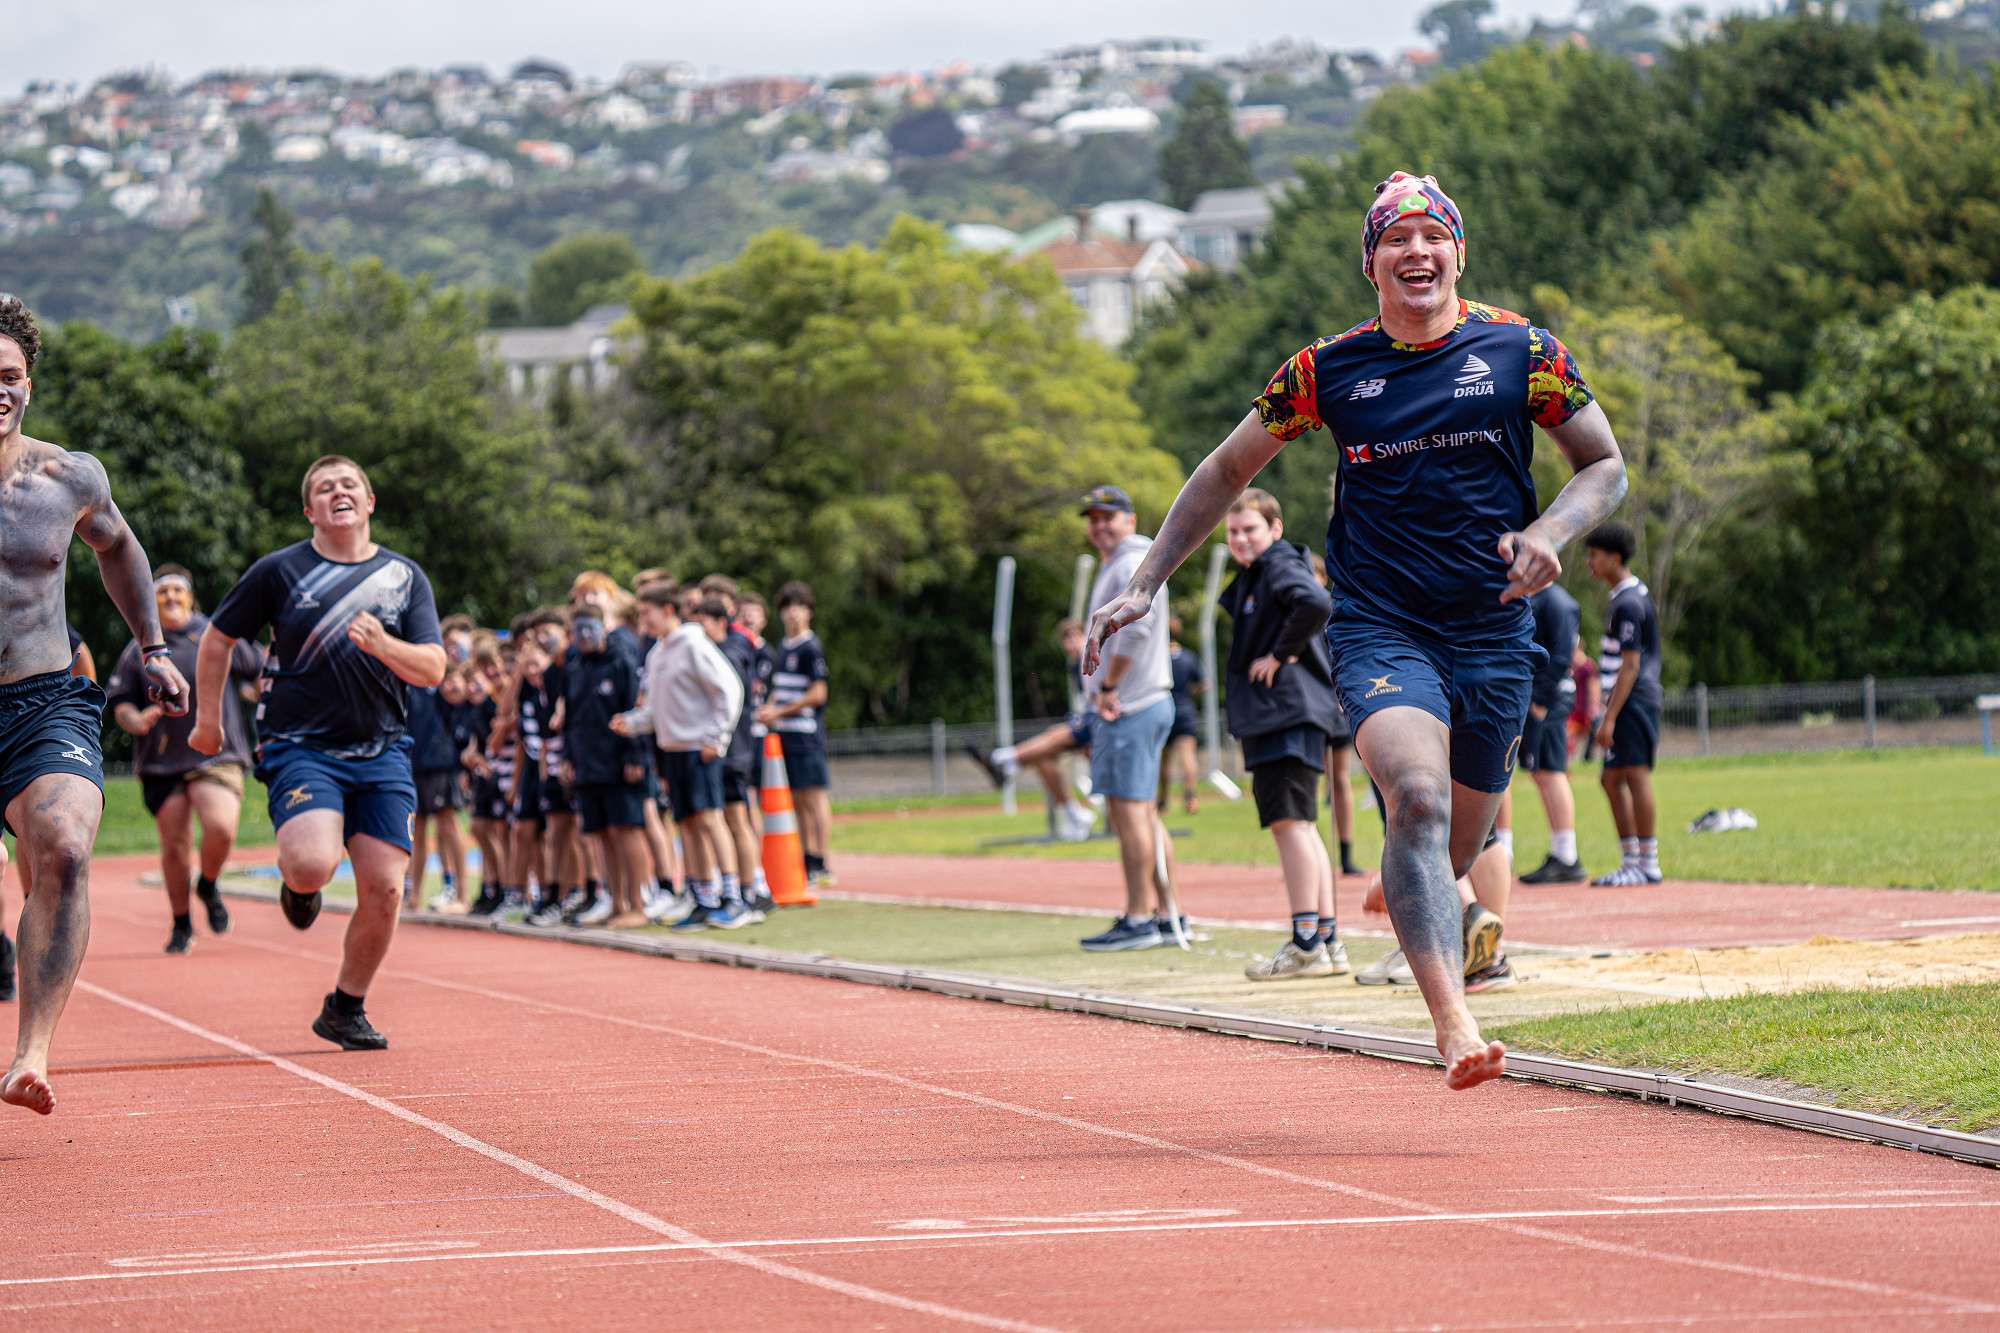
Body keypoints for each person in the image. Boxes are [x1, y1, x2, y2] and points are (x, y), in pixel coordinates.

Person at [1084, 172, 1626, 1089]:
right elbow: (1224, 472)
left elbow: (1604, 465)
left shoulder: (1523, 349)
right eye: (1396, 239)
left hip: (1494, 631)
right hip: (1383, 625)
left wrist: (1549, 532)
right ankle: (1453, 1021)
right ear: (1370, 263)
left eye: (1433, 236)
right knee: (1413, 797)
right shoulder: (1323, 370)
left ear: (1459, 253)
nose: (1417, 252)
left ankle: (1407, 875)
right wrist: (1144, 583)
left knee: (1455, 845)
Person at [0, 295, 190, 1115]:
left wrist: (153, 647)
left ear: (28, 383)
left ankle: (31, 1054)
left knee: (69, 848)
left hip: (43, 700)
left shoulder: (68, 477)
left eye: (8, 374)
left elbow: (118, 547)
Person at [193, 454, 445, 1053]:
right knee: (311, 863)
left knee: (386, 888)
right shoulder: (280, 571)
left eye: (349, 484)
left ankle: (345, 1008)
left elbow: (433, 668)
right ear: (310, 510)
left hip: (383, 749)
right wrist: (208, 722)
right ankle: (300, 886)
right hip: (300, 745)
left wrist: (384, 645)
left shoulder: (404, 577)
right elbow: (218, 639)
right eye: (325, 488)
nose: (339, 492)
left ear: (369, 500)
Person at [1217, 489, 1346, 981]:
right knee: (1302, 825)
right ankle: (1325, 940)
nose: (1240, 539)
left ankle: (1306, 941)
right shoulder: (1262, 572)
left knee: (1290, 825)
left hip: (1284, 711)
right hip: (1291, 711)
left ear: (1275, 528)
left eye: (1250, 529)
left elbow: (1315, 601)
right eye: (1233, 532)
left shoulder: (1278, 565)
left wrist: (1280, 653)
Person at [106, 564, 264, 953]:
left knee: (221, 827)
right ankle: (181, 923)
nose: (171, 597)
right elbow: (121, 702)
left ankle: (207, 883)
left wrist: (262, 693)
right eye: (162, 592)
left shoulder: (215, 634)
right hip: (162, 761)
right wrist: (135, 720)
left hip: (216, 752)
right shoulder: (141, 648)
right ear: (152, 601)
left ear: (191, 598)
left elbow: (260, 669)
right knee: (174, 845)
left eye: (178, 590)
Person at [1075, 484, 1181, 953]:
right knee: (1143, 813)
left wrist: (1110, 687)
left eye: (1108, 516)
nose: (1100, 525)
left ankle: (1140, 916)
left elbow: (1138, 629)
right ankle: (1166, 913)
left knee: (1130, 812)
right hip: (1142, 700)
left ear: (1130, 519)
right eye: (1093, 518)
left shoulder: (1130, 561)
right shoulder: (1126, 561)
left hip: (1131, 704)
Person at [616, 582, 751, 929]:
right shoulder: (656, 654)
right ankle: (703, 896)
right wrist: (631, 723)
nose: (643, 620)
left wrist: (716, 738)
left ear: (668, 610)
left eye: (647, 613)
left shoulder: (693, 644)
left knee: (710, 819)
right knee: (687, 824)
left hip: (698, 748)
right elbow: (654, 708)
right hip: (672, 749)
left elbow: (729, 690)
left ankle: (733, 897)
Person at [552, 605, 651, 928]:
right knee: (602, 835)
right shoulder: (574, 668)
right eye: (577, 629)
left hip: (619, 762)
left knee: (627, 831)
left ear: (603, 627)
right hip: (586, 762)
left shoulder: (621, 662)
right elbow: (570, 720)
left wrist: (634, 757)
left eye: (589, 627)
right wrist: (568, 758)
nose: (583, 635)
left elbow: (635, 711)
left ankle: (638, 904)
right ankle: (616, 902)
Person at [967, 618, 1099, 842]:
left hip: (1102, 727)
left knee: (1056, 735)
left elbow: (1099, 699)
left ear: (1084, 636)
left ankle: (1004, 760)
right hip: (1090, 724)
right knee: (1043, 757)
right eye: (1065, 639)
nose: (1069, 644)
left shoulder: (1090, 659)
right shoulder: (1074, 665)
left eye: (1074, 637)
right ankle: (1075, 814)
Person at [1585, 523, 1665, 886]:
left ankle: (1646, 861)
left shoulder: (1630, 602)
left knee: (1634, 773)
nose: (1589, 562)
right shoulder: (1622, 597)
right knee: (1611, 778)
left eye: (1595, 555)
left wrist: (1610, 717)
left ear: (1615, 558)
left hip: (1633, 700)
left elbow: (1631, 664)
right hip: (1624, 701)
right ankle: (1632, 860)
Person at [699, 589, 773, 915]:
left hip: (732, 749)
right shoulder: (721, 650)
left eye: (702, 621)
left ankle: (750, 889)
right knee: (730, 818)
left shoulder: (730, 653)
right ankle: (743, 888)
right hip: (729, 747)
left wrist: (719, 740)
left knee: (736, 817)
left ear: (720, 621)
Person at [756, 582, 834, 887]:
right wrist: (769, 709)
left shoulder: (810, 647)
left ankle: (821, 859)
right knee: (798, 798)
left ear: (809, 611)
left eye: (799, 607)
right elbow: (779, 688)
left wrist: (780, 711)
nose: (792, 613)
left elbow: (817, 693)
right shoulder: (784, 647)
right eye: (787, 607)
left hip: (806, 733)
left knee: (814, 796)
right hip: (786, 734)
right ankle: (807, 855)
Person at [1518, 582, 1584, 884]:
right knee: (1541, 772)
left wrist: (1541, 701)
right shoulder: (1537, 597)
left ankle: (1567, 857)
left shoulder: (1557, 601)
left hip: (1551, 697)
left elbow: (1561, 654)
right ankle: (1561, 853)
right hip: (1539, 696)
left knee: (1551, 771)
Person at [403, 666, 467, 911]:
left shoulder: (439, 678)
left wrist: (454, 684)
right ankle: (414, 895)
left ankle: (462, 896)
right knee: (417, 831)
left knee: (448, 826)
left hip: (441, 764)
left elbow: (459, 694)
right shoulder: (406, 682)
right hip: (413, 764)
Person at [1160, 616, 1205, 815]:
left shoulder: (1159, 657)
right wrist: (1190, 692)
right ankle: (1191, 798)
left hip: (1163, 709)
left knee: (1164, 759)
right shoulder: (1188, 657)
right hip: (1185, 710)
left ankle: (1163, 801)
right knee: (1188, 755)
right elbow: (1203, 683)